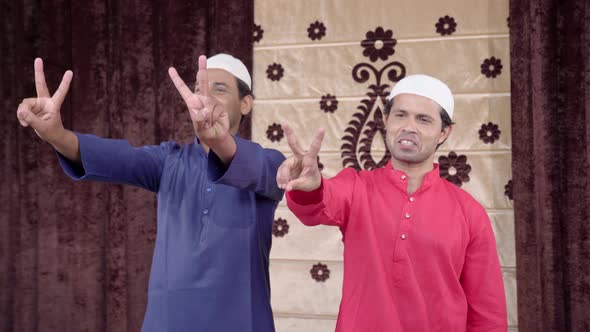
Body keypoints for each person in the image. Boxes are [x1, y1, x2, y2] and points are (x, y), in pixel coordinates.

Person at [16, 54, 284, 332]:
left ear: (246, 103)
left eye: (219, 89)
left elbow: (260, 170)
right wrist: (57, 135)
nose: (206, 98)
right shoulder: (169, 161)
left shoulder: (269, 164)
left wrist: (221, 143)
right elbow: (118, 157)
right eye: (198, 89)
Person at [277, 75, 507, 331]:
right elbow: (320, 204)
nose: (409, 126)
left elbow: (487, 313)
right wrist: (312, 186)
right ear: (386, 120)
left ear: (444, 132)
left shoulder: (469, 212)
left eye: (424, 119)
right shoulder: (357, 187)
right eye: (400, 115)